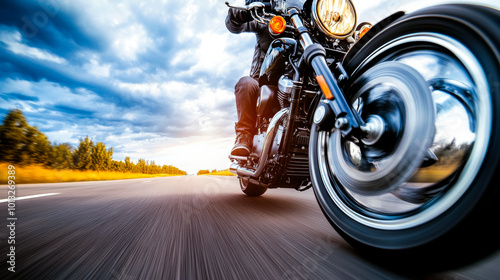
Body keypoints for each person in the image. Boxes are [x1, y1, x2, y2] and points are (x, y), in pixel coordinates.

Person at [226, 1, 273, 156]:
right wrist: (244, 12)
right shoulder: (269, 18)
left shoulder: (308, 23)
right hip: (262, 82)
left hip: (299, 83)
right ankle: (244, 135)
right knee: (246, 83)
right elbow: (234, 25)